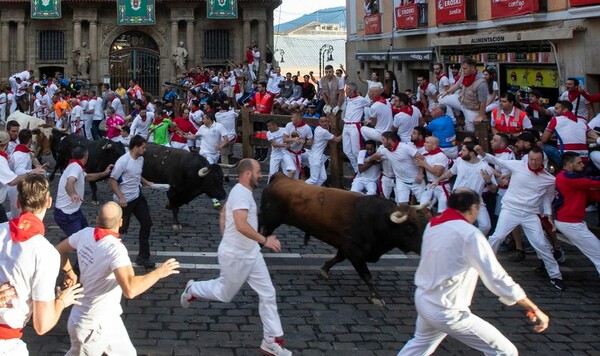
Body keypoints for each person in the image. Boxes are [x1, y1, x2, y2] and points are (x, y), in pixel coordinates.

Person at [398, 188, 549, 356]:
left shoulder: (434, 225)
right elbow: (496, 277)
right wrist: (532, 307)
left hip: (425, 299)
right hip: (447, 309)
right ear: (473, 208)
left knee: (420, 345)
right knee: (505, 352)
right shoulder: (470, 234)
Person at [180, 159, 292, 356]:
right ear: (247, 174)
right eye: (258, 171)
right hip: (236, 256)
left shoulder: (241, 193)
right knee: (224, 294)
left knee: (268, 293)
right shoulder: (241, 193)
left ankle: (271, 341)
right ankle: (193, 289)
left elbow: (223, 212)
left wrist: (227, 235)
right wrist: (264, 240)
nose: (260, 175)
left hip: (251, 253)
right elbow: (240, 224)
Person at [55, 202, 180, 355]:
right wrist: (159, 273)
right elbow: (130, 289)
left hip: (108, 317)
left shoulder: (85, 233)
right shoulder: (115, 249)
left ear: (96, 219)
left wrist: (69, 271)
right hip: (92, 324)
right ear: (120, 223)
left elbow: (58, 250)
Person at [0, 175, 84, 354]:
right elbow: (42, 325)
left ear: (18, 203)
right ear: (49, 202)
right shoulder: (46, 253)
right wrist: (62, 301)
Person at [474, 145, 566, 291]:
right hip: (510, 209)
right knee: (497, 237)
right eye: (531, 159)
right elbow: (496, 161)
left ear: (543, 161)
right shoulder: (518, 165)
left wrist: (548, 215)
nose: (533, 162)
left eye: (536, 160)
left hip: (530, 214)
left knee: (541, 244)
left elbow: (547, 200)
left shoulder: (549, 179)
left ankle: (556, 276)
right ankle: (481, 267)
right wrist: (482, 153)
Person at [108, 135, 159, 268]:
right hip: (125, 201)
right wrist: (121, 197)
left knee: (146, 223)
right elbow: (112, 180)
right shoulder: (123, 161)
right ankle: (108, 254)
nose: (144, 150)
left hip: (137, 196)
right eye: (142, 147)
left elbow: (136, 174)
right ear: (135, 147)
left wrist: (147, 182)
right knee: (120, 230)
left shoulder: (140, 159)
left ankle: (143, 256)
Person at [432, 143, 497, 235]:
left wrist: (488, 181)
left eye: (463, 150)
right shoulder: (459, 161)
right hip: (458, 199)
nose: (460, 152)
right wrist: (438, 180)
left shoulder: (485, 167)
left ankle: (473, 241)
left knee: (486, 226)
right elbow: (450, 173)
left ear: (471, 153)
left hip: (476, 200)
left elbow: (493, 189)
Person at [54, 144, 114, 240]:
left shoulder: (75, 166)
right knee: (80, 240)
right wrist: (73, 194)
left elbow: (88, 177)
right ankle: (61, 249)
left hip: (74, 211)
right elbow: (69, 183)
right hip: (66, 214)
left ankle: (66, 245)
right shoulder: (76, 167)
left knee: (85, 234)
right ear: (86, 156)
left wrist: (104, 173)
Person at [554, 152, 600, 276]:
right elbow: (593, 183)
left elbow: (590, 193)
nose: (582, 165)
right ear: (569, 164)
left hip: (571, 221)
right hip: (570, 222)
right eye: (579, 163)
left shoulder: (568, 177)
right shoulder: (569, 177)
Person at [367, 131, 425, 205]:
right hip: (401, 181)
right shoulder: (385, 150)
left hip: (415, 180)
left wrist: (420, 174)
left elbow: (421, 158)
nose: (381, 142)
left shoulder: (405, 147)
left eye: (383, 140)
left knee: (424, 207)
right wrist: (368, 159)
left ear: (389, 140)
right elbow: (376, 155)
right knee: (402, 205)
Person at [415, 136, 450, 213]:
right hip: (430, 186)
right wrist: (420, 173)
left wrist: (425, 165)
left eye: (427, 142)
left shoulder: (441, 156)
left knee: (442, 212)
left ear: (434, 146)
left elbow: (438, 173)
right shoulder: (426, 154)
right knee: (423, 207)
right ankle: (431, 223)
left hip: (442, 187)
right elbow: (422, 163)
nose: (424, 144)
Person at [342, 82, 370, 174]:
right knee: (346, 150)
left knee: (356, 151)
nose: (345, 90)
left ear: (351, 90)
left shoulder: (361, 99)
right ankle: (357, 169)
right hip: (346, 125)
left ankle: (362, 169)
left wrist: (369, 119)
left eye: (347, 89)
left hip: (355, 125)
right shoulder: (347, 99)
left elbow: (371, 104)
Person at [305, 116, 341, 186]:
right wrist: (346, 131)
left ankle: (314, 191)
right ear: (319, 122)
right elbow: (337, 140)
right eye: (322, 121)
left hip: (319, 156)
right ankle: (301, 188)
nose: (324, 123)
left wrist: (328, 126)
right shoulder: (323, 132)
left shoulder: (318, 128)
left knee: (323, 178)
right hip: (315, 157)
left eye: (326, 121)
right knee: (314, 179)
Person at [282, 112, 313, 179]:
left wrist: (303, 142)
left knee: (296, 177)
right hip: (287, 152)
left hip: (297, 154)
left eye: (293, 117)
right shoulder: (289, 125)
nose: (291, 119)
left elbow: (310, 141)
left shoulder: (307, 128)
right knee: (292, 170)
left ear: (298, 118)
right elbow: (284, 139)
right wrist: (293, 139)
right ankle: (284, 187)